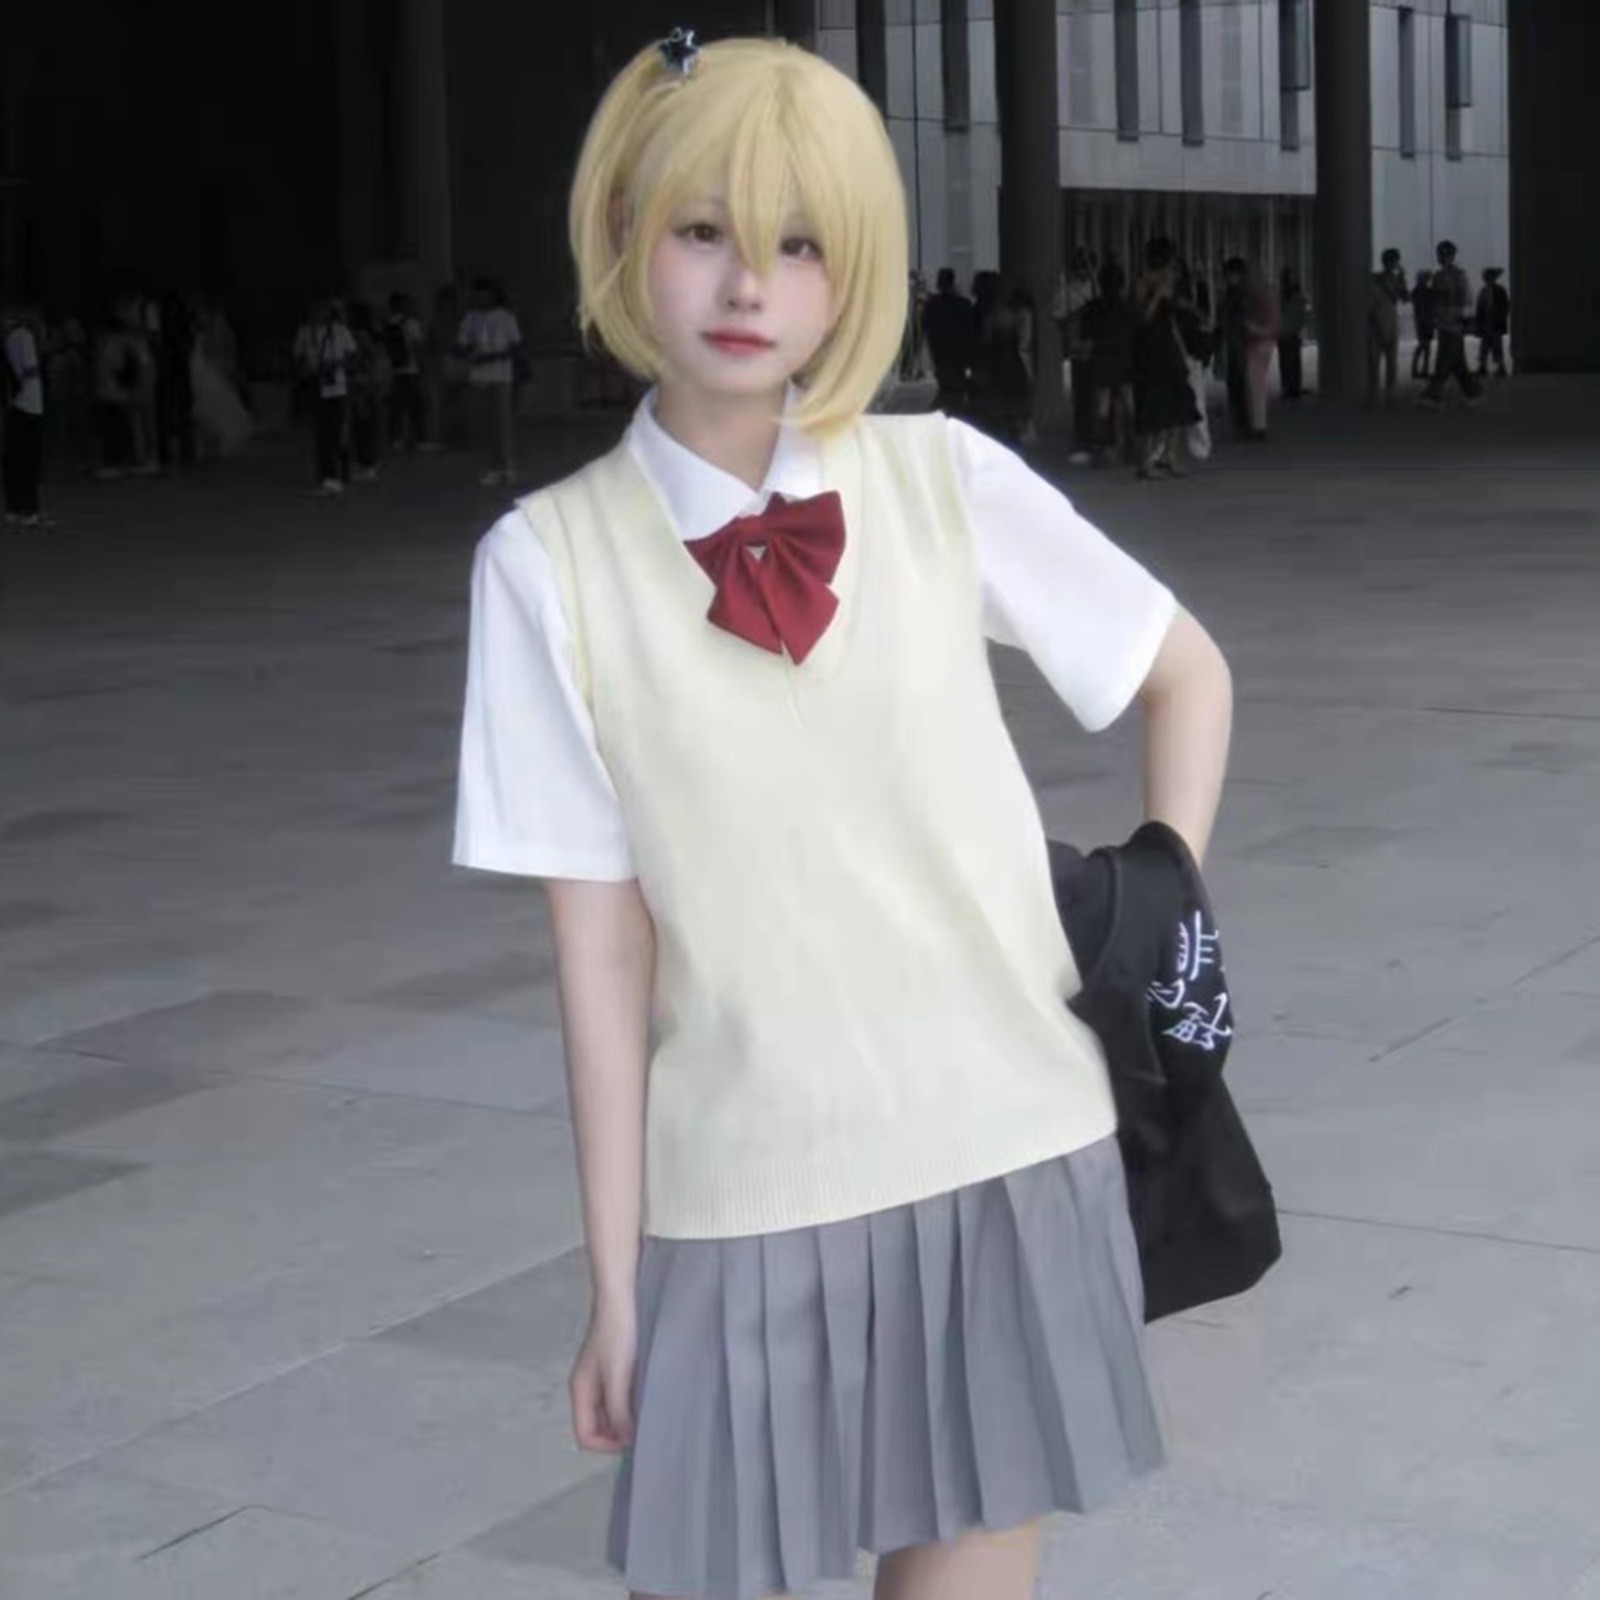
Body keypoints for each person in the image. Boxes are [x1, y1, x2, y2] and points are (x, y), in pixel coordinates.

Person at [455, 34, 1233, 1600]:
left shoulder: (940, 479)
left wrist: (1161, 905)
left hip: (1008, 1139)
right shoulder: (548, 563)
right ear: (624, 233)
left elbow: (1185, 673)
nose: (750, 284)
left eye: (801, 244)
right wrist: (615, 1284)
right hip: (746, 1178)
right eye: (704, 231)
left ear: (854, 270)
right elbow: (600, 956)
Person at [1131, 239, 1202, 478]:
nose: (1171, 269)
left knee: (1180, 404)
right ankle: (1146, 462)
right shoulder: (1142, 283)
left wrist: (1183, 349)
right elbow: (1142, 318)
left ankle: (1169, 456)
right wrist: (1157, 297)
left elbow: (1173, 319)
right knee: (1153, 408)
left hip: (1168, 349)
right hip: (1148, 350)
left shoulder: (1170, 283)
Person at [455, 276, 522, 485]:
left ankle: (507, 466)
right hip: (479, 377)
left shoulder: (506, 317)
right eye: (477, 294)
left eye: (484, 294)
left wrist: (492, 357)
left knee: (502, 423)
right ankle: (492, 467)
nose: (480, 298)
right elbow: (461, 345)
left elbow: (515, 348)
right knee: (485, 424)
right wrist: (468, 352)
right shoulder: (470, 318)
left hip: (501, 376)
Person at [293, 297, 358, 493]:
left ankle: (340, 470)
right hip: (316, 385)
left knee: (337, 430)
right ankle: (327, 474)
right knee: (322, 432)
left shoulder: (339, 331)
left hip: (337, 385)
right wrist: (308, 370)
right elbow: (299, 357)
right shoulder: (305, 332)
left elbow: (352, 354)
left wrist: (338, 366)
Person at [1080, 259, 1136, 466]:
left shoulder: (1092, 307)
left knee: (1102, 406)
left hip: (1101, 358)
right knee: (1129, 403)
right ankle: (1131, 446)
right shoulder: (1127, 308)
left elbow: (1086, 338)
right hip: (1124, 358)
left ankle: (1101, 449)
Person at [3, 300, 48, 527]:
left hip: (16, 404)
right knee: (29, 458)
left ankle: (15, 506)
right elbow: (28, 370)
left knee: (15, 457)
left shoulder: (10, 337)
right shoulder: (24, 336)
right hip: (29, 403)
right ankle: (29, 508)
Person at [1421, 240, 1482, 405]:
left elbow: (1466, 299)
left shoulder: (1458, 276)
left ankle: (1433, 395)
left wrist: (1459, 314)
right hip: (1444, 324)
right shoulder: (1438, 276)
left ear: (1450, 255)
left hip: (1453, 324)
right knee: (1457, 363)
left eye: (1443, 254)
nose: (1440, 258)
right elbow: (1434, 301)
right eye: (1439, 254)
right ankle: (1473, 392)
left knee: (1444, 361)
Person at [920, 265, 977, 414]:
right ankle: (954, 407)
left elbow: (924, 326)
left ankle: (946, 407)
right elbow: (971, 329)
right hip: (957, 351)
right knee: (954, 380)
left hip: (940, 348)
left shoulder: (932, 305)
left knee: (946, 379)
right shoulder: (963, 304)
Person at [385, 291, 428, 450]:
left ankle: (395, 439)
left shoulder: (387, 323)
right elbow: (417, 347)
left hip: (395, 371)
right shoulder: (411, 323)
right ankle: (415, 439)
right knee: (415, 406)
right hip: (411, 370)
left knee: (396, 407)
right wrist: (422, 366)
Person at [1368, 248, 1408, 406]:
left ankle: (1388, 393)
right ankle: (1376, 392)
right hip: (1377, 321)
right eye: (1394, 261)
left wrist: (1403, 279)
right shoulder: (1375, 279)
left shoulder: (1395, 280)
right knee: (1375, 360)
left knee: (1390, 359)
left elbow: (1405, 298)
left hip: (1390, 320)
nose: (1395, 265)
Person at [1276, 267, 1308, 400]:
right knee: (1289, 361)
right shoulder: (1290, 296)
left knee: (1289, 361)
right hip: (1287, 333)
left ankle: (1291, 386)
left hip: (1288, 333)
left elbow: (1298, 314)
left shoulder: (1290, 296)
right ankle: (1291, 386)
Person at [1475, 267, 1511, 378]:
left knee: (1495, 346)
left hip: (1495, 323)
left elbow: (1505, 307)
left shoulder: (1498, 291)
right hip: (1488, 323)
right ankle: (1484, 367)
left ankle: (1500, 367)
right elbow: (1480, 309)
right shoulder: (1485, 291)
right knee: (1485, 346)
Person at [1410, 266, 1437, 379]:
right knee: (1424, 346)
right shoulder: (1424, 292)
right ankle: (1420, 370)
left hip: (1424, 322)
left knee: (1425, 347)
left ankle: (1420, 369)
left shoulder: (1417, 292)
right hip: (1425, 322)